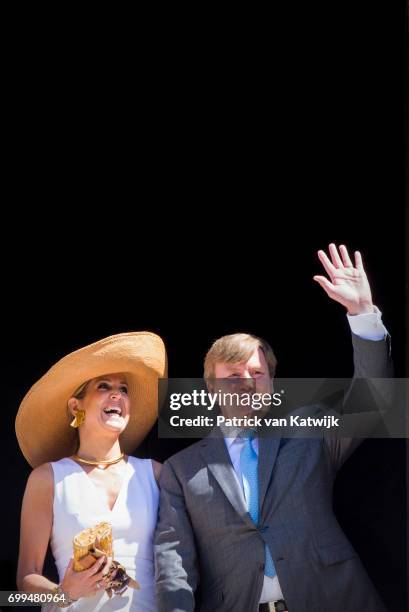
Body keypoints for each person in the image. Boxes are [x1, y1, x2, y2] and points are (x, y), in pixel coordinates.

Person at [154, 244, 393, 612]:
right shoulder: (180, 470)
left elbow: (374, 404)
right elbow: (175, 564)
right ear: (212, 388)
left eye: (256, 373)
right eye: (233, 375)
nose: (247, 382)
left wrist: (361, 313)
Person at [16, 331, 167, 611]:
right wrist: (64, 593)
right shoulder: (47, 479)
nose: (117, 394)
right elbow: (22, 588)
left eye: (124, 389)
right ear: (76, 407)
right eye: (104, 386)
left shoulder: (156, 475)